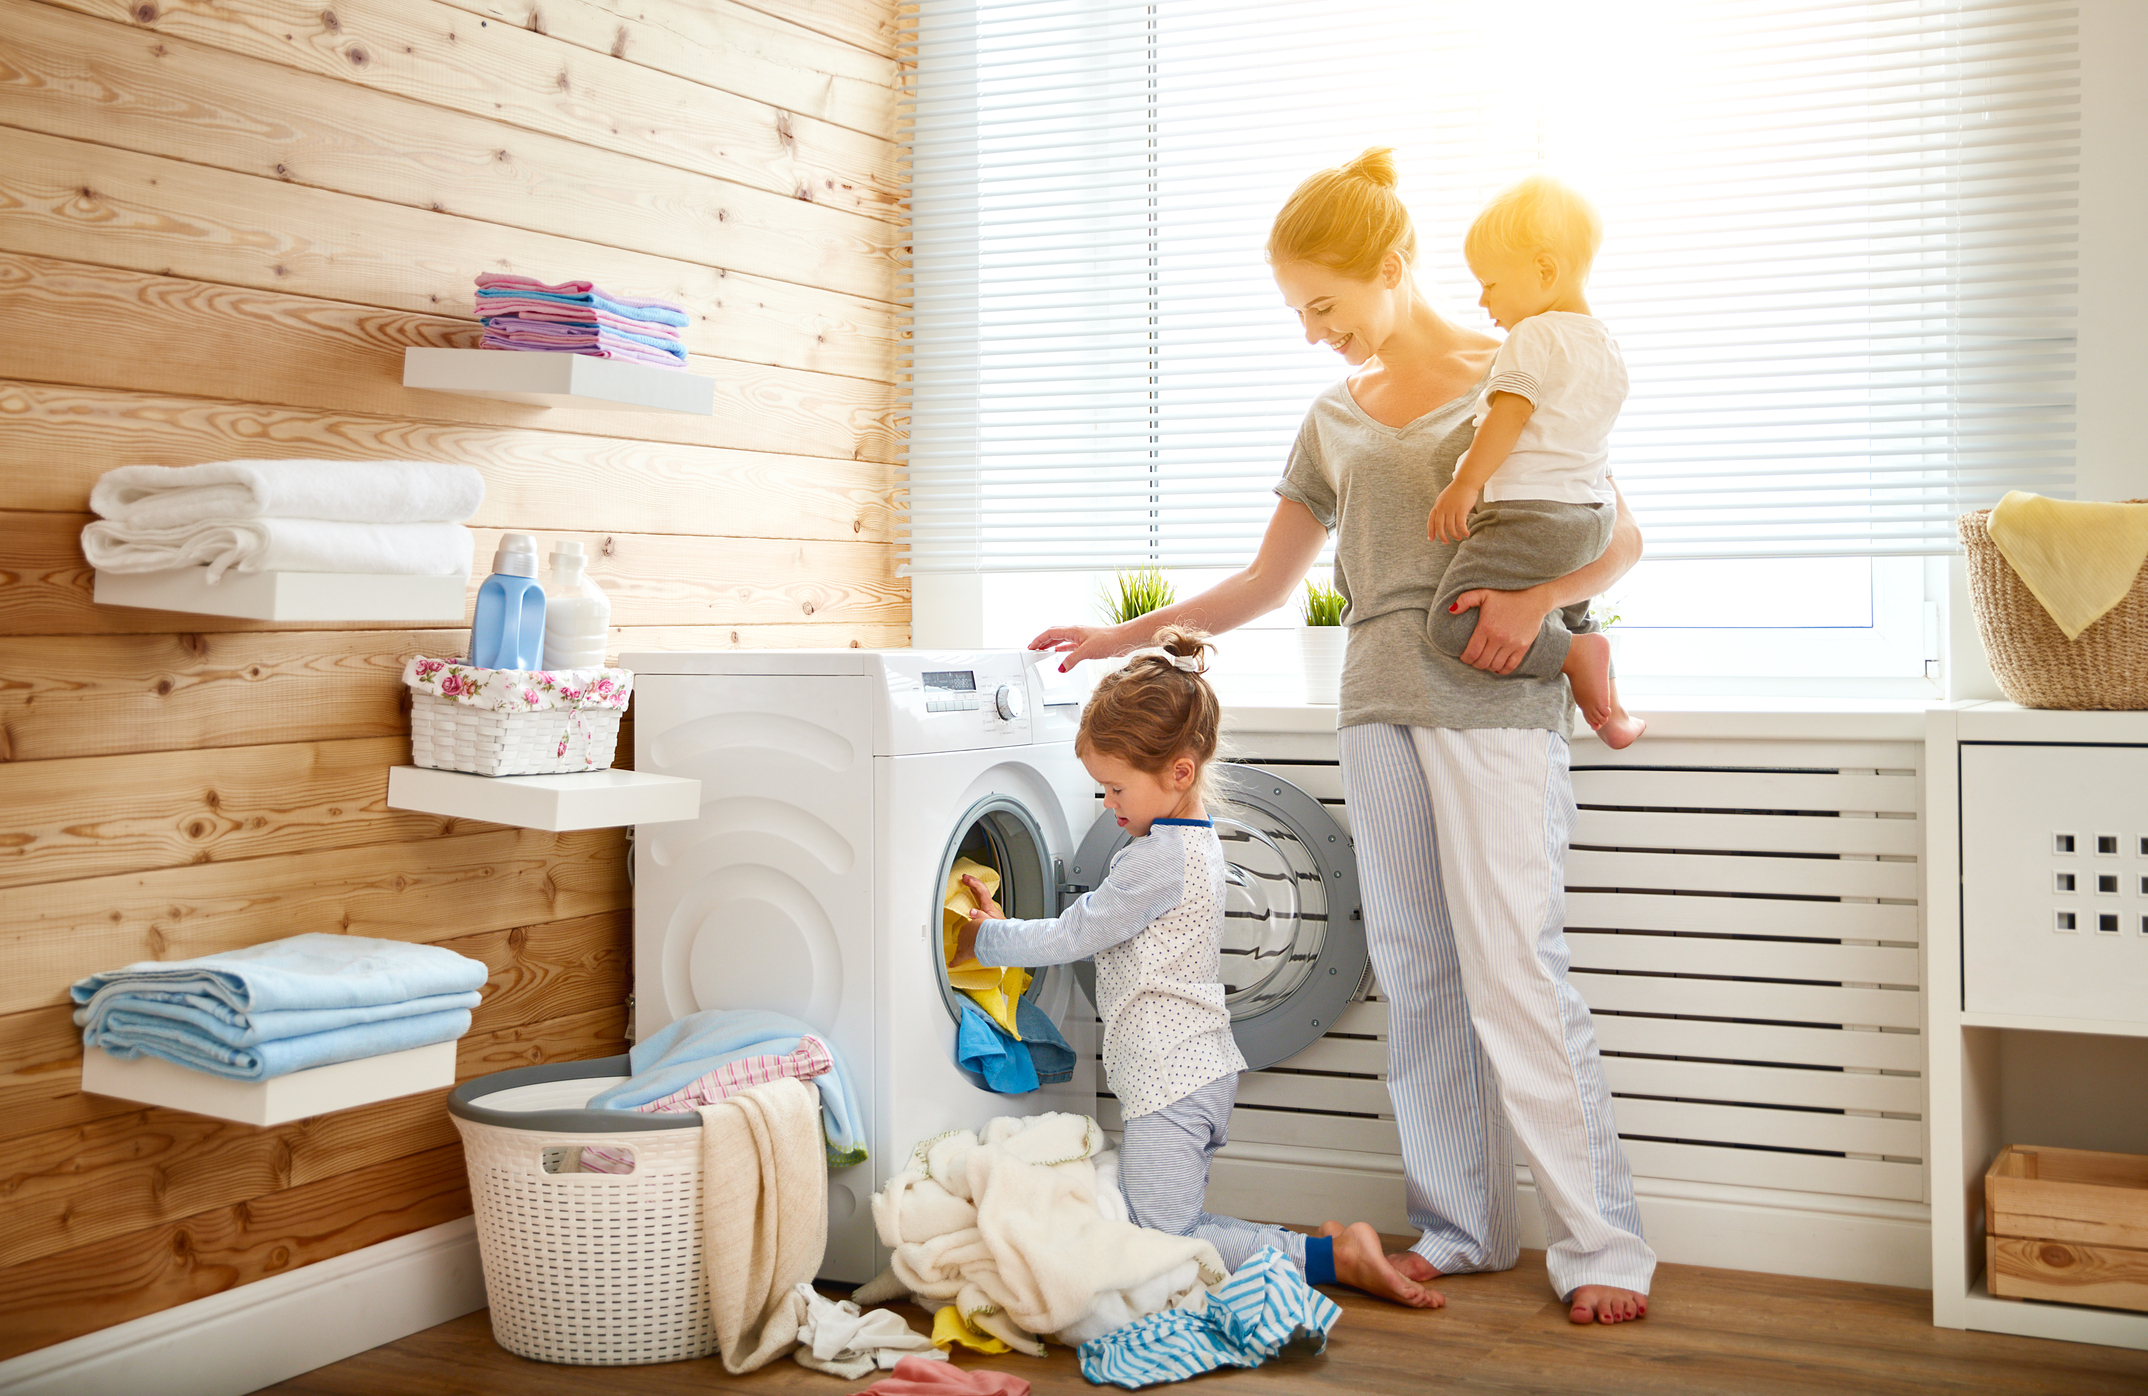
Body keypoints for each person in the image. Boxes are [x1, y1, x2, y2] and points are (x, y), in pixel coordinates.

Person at [1029, 149, 1656, 1325]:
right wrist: (1127, 636)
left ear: (1391, 269)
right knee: (1416, 969)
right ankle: (1464, 1225)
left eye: (1326, 305)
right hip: (1376, 701)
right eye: (1299, 313)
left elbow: (1621, 540)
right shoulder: (1330, 419)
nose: (1316, 333)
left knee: (1516, 967)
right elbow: (1269, 583)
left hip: (1491, 700)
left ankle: (1605, 1243)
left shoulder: (1517, 369)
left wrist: (1538, 605)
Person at [950, 626, 1441, 1309]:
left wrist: (987, 940)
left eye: (1116, 790)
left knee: (1156, 1235)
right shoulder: (1190, 841)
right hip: (1192, 1072)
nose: (1107, 805)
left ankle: (1330, 1257)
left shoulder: (1157, 861)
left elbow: (1076, 931)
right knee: (1162, 1220)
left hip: (1171, 1084)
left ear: (1178, 773)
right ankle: (1326, 1247)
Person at [1425, 174, 1643, 748]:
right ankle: (1612, 708)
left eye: (1491, 284)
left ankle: (1575, 657)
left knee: (1450, 622)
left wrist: (1465, 485)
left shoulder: (1534, 336)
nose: (1483, 301)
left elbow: (1510, 415)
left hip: (1530, 517)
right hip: (1590, 518)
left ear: (1545, 272)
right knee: (1570, 609)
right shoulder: (1608, 348)